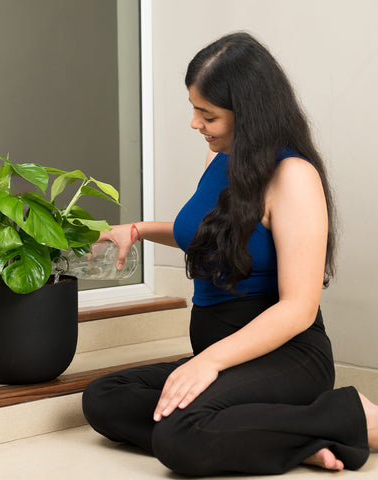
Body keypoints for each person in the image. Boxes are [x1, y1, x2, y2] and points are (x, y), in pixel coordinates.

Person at [82, 32, 378, 476]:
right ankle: (295, 439)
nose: (195, 124)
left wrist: (208, 362)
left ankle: (353, 415)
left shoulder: (293, 176)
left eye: (208, 114)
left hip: (284, 357)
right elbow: (210, 236)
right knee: (106, 398)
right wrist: (138, 230)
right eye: (194, 109)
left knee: (179, 434)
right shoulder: (219, 158)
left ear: (250, 113)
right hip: (223, 355)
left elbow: (299, 309)